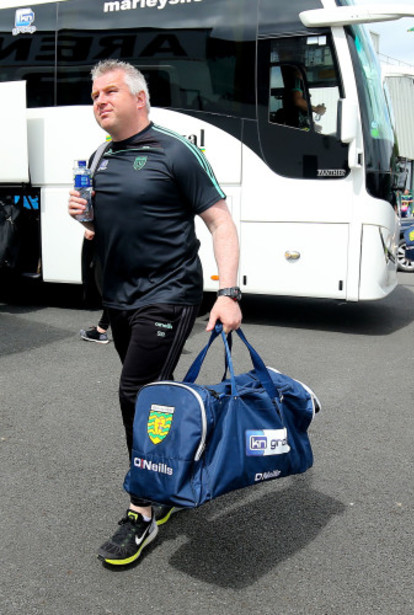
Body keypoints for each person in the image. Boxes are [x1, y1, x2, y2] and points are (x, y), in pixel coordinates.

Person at [68, 60, 242, 565]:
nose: (99, 100)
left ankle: (141, 511)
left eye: (110, 92)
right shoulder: (99, 155)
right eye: (95, 94)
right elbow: (104, 223)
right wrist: (86, 215)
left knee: (135, 394)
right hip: (119, 297)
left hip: (169, 293)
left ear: (139, 98)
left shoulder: (175, 151)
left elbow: (221, 222)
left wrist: (227, 292)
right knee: (151, 397)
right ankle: (167, 480)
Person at [80, 228, 110, 343]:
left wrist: (91, 226)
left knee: (107, 286)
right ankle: (101, 329)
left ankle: (101, 330)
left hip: (108, 232)